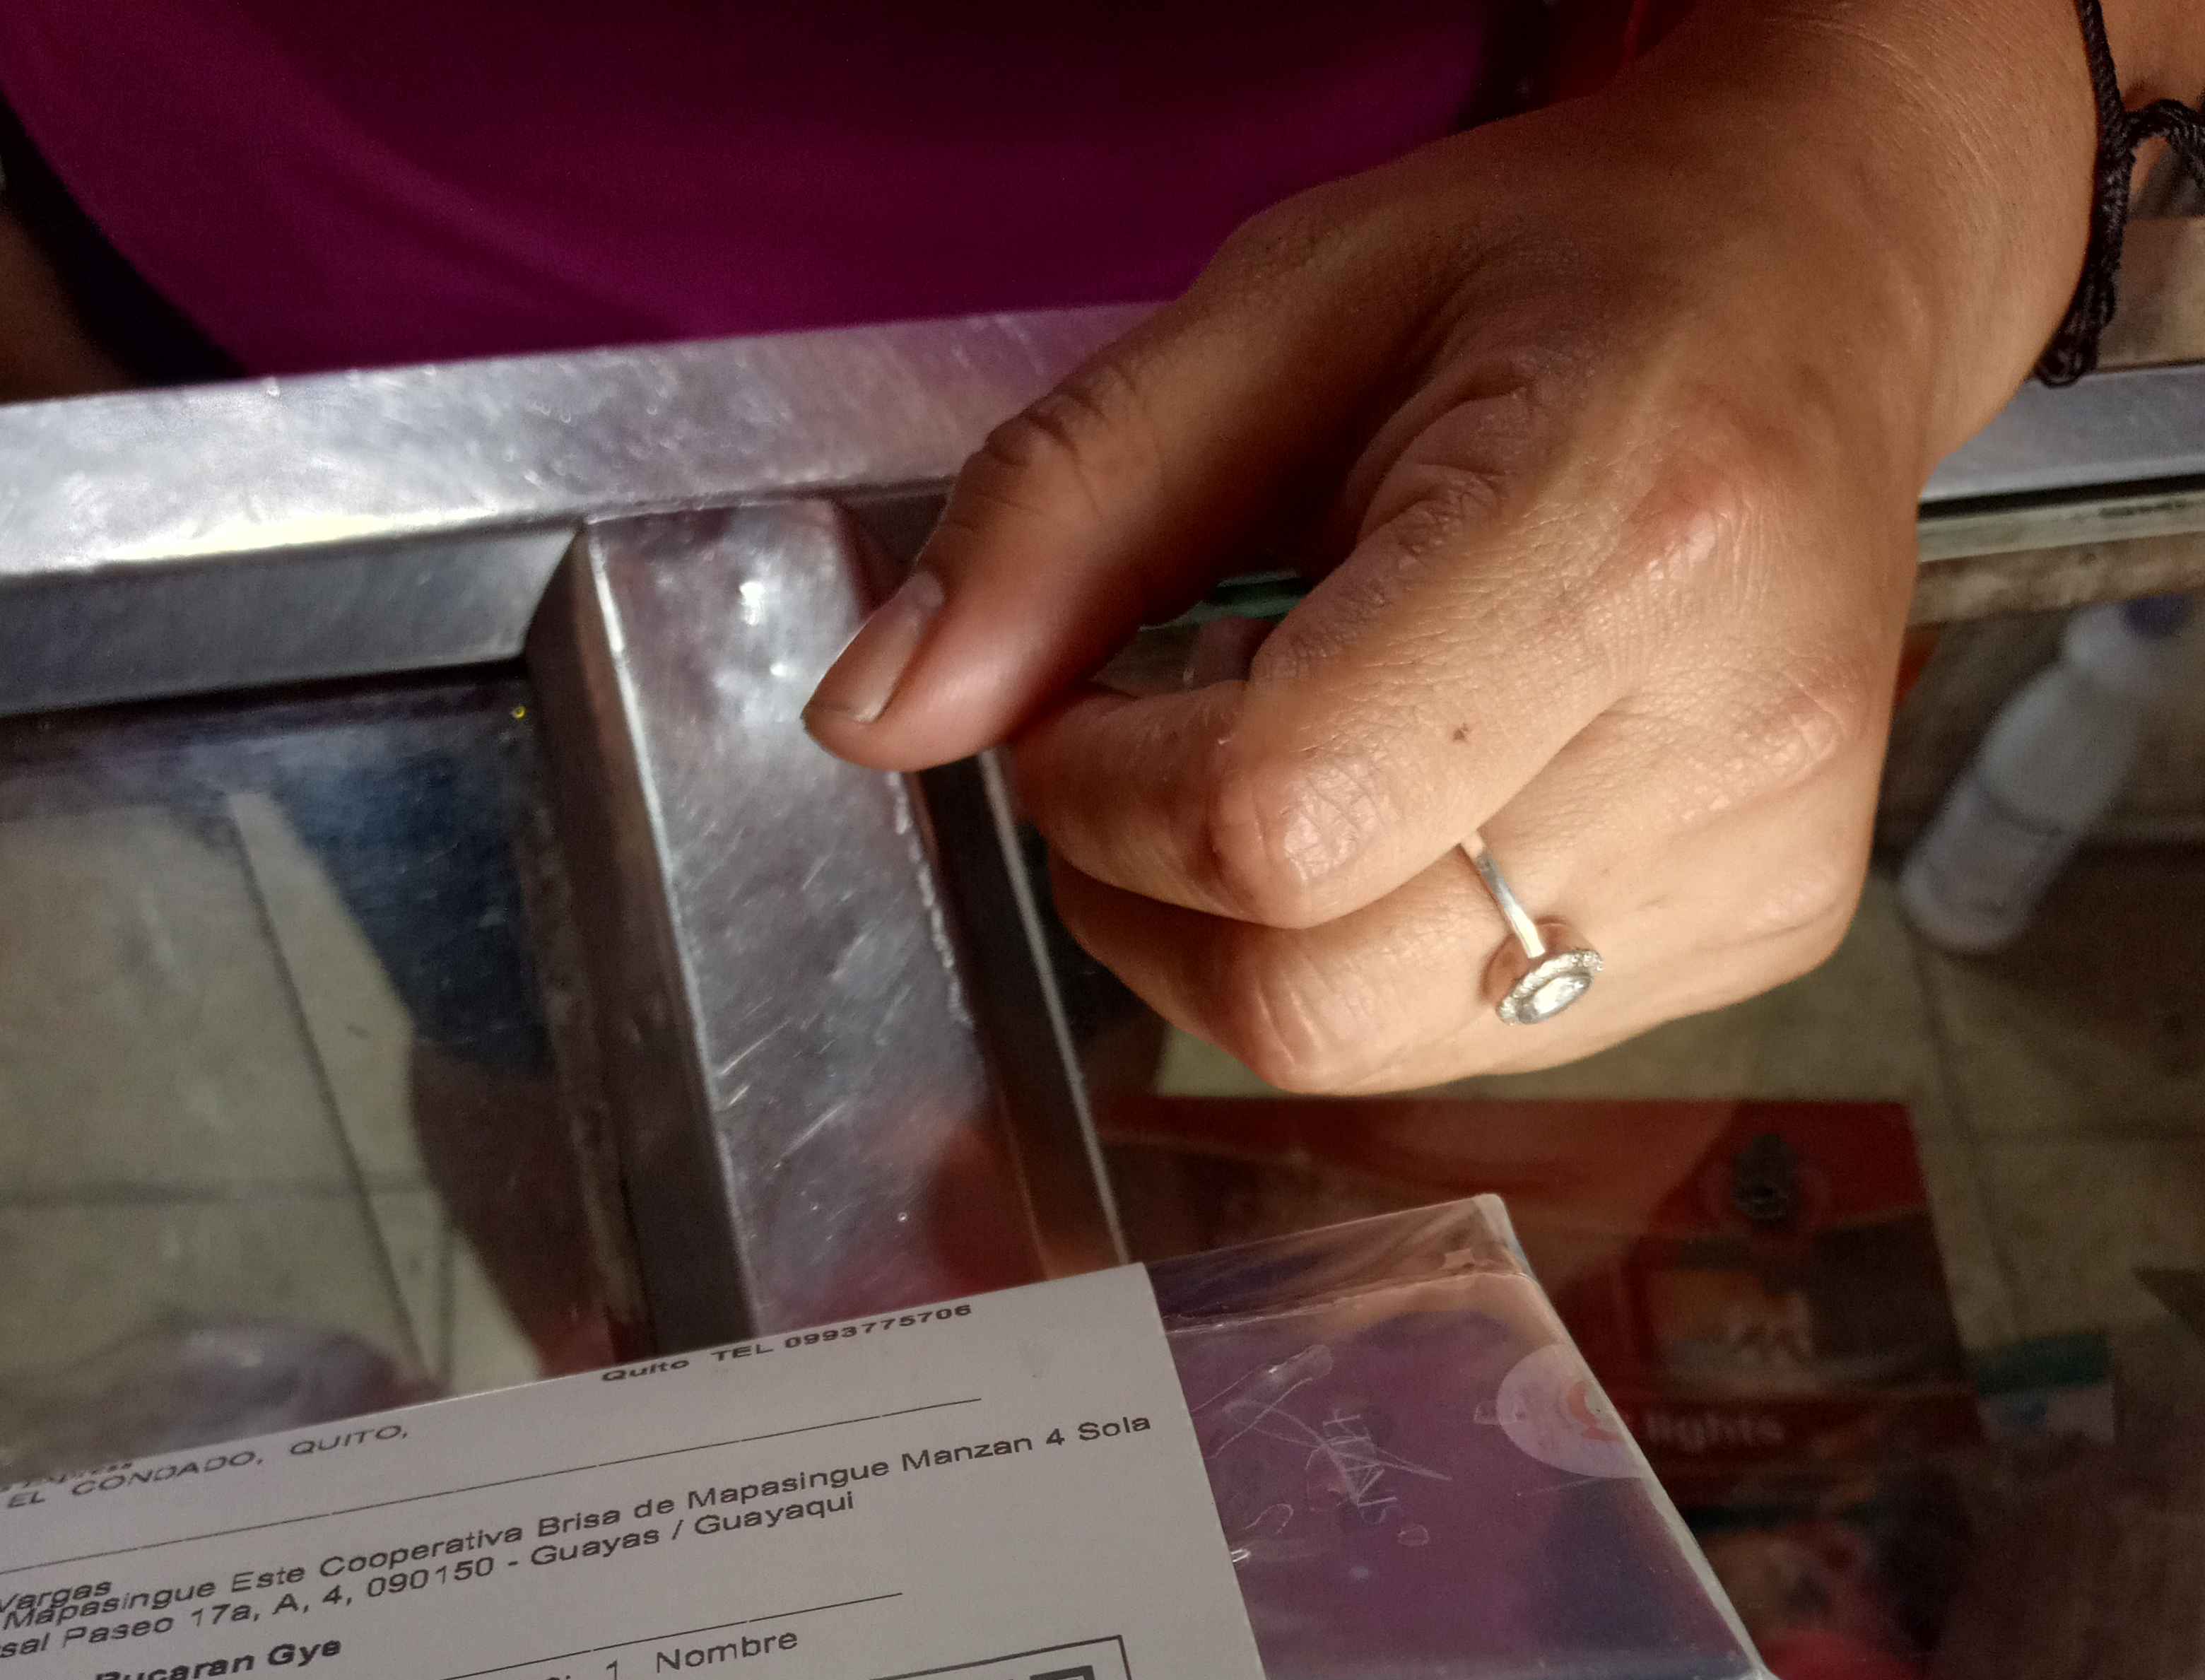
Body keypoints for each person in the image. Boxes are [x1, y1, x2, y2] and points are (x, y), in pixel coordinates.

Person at [0, 0, 2199, 1095]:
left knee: (1161, 1003)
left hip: (1305, 391)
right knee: (529, 1033)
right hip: (270, 360)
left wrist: (1899, 149)